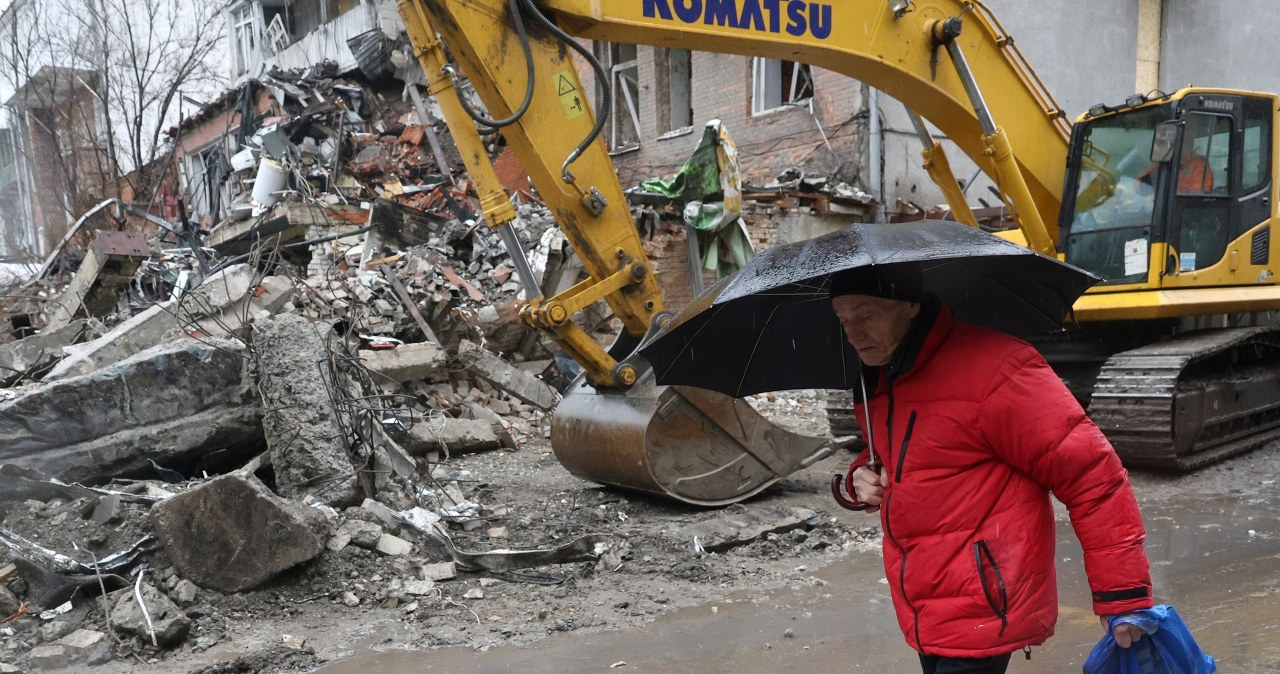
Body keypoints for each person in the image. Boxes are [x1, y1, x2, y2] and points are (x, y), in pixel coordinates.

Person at [828, 265, 1152, 674]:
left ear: (910, 305)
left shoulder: (997, 370)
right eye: (843, 320)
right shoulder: (879, 380)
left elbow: (1092, 477)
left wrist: (1124, 595)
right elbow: (915, 457)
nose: (853, 333)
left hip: (982, 599)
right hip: (923, 601)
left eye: (866, 315)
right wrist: (862, 475)